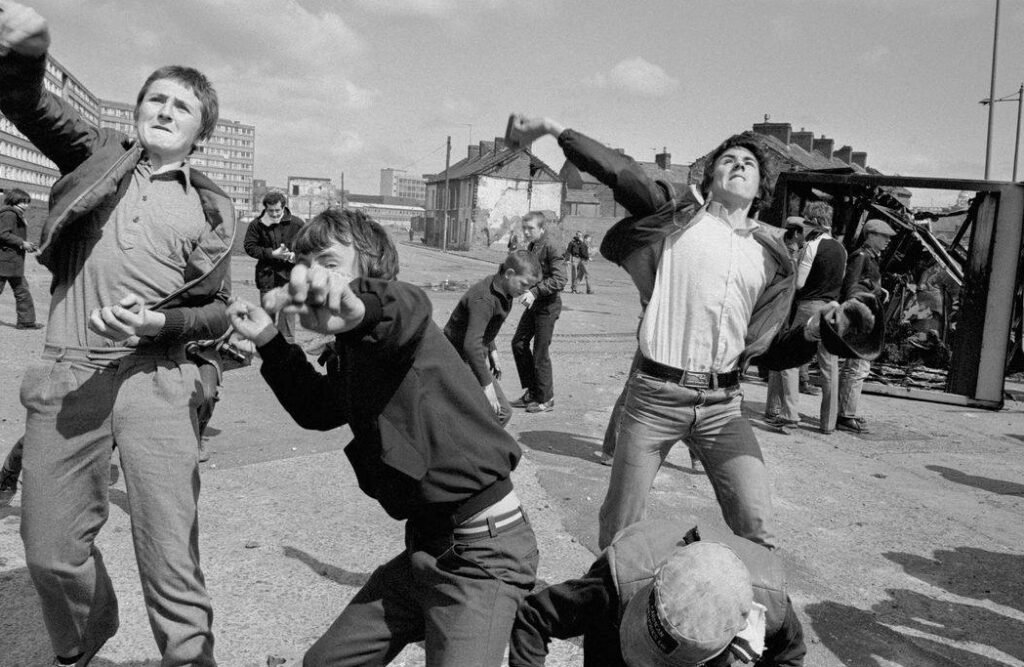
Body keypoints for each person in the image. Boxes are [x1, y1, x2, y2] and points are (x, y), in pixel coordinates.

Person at [506, 114, 879, 550]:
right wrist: (555, 130)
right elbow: (624, 172)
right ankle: (611, 605)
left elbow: (768, 350)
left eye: (749, 163)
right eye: (728, 159)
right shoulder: (678, 220)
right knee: (621, 523)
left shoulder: (772, 257)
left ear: (761, 188)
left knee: (756, 521)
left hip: (723, 406)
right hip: (654, 399)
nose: (738, 164)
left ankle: (750, 610)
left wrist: (816, 328)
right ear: (711, 175)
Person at [0, 4, 236, 664]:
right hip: (70, 372)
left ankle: (190, 656)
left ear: (201, 129)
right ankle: (86, 634)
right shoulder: (96, 156)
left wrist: (163, 322)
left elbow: (218, 312)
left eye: (180, 105)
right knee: (49, 552)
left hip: (158, 378)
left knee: (168, 549)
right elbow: (26, 103)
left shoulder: (213, 206)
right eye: (153, 98)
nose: (162, 109)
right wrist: (25, 54)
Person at [227, 208, 538, 666]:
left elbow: (405, 305)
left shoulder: (400, 327)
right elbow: (317, 409)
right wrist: (272, 342)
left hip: (485, 556)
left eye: (328, 263)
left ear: (368, 272)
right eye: (304, 263)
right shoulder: (351, 355)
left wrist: (357, 304)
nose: (310, 276)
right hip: (426, 551)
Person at [509, 519, 806, 667]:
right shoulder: (614, 587)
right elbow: (534, 619)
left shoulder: (772, 604)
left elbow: (788, 656)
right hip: (618, 630)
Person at [766, 202, 847, 434]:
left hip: (809, 307)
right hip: (831, 309)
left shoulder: (812, 246)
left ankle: (790, 414)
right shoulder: (842, 249)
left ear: (816, 222)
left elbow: (800, 283)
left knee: (790, 359)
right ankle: (828, 423)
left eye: (808, 221)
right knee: (829, 367)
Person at [443, 249, 542, 427]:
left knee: (493, 412)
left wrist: (492, 351)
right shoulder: (485, 299)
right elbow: (471, 345)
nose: (525, 291)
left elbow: (484, 327)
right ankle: (469, 449)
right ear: (509, 274)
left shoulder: (504, 289)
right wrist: (486, 386)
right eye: (524, 285)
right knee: (500, 412)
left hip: (472, 355)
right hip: (457, 359)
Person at [837, 218, 896, 434]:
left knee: (856, 366)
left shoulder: (869, 257)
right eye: (884, 236)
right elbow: (851, 289)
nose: (888, 241)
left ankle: (845, 411)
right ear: (870, 236)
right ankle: (845, 415)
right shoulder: (861, 257)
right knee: (858, 367)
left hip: (864, 317)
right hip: (860, 318)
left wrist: (879, 292)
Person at [511, 211, 567, 413]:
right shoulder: (533, 246)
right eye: (524, 228)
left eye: (530, 228)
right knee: (518, 343)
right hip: (535, 304)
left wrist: (535, 292)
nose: (526, 232)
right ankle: (532, 392)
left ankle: (546, 399)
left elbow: (560, 280)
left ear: (542, 228)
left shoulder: (552, 246)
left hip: (548, 306)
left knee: (540, 352)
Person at [244, 191, 304, 343]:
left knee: (288, 321)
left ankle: (288, 352)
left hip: (289, 277)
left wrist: (294, 256)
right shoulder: (257, 225)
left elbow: (308, 248)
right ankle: (270, 352)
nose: (275, 214)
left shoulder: (297, 224)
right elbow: (250, 247)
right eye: (271, 211)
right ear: (265, 209)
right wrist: (272, 253)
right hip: (267, 277)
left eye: (278, 210)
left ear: (284, 207)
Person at [0, 187, 43, 329]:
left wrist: (27, 245)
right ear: (14, 200)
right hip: (4, 261)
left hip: (13, 261)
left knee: (22, 291)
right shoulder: (9, 214)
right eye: (23, 201)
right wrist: (21, 243)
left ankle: (26, 322)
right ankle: (26, 321)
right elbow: (3, 234)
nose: (26, 205)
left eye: (27, 201)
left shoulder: (17, 214)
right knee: (22, 291)